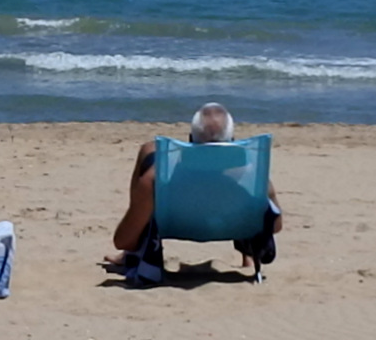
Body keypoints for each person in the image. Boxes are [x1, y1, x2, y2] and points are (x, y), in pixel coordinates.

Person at [104, 100, 271, 282]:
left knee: (148, 149)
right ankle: (247, 255)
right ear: (231, 141)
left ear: (190, 140)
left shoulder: (156, 179)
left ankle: (130, 255)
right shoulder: (253, 179)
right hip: (231, 224)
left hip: (175, 222)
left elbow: (123, 240)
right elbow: (275, 226)